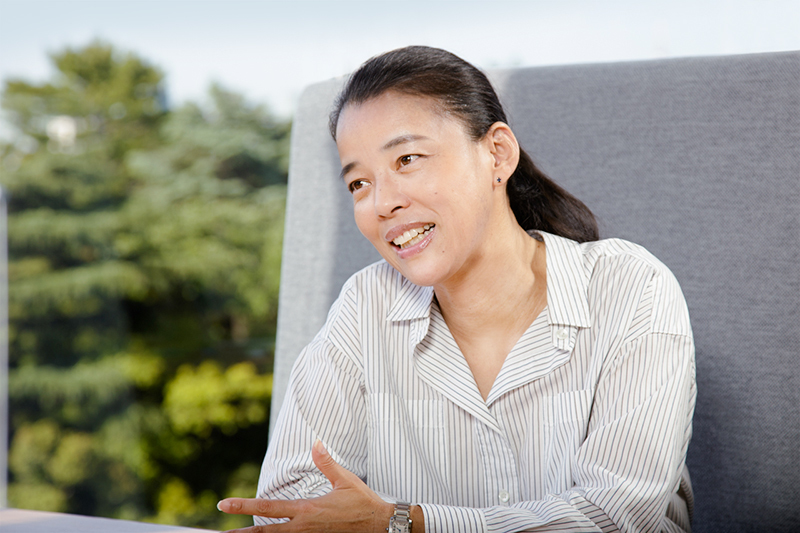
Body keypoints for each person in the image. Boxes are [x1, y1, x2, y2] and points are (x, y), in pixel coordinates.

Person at [217, 46, 696, 533]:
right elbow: (294, 503)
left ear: (497, 154)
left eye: (407, 159)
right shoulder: (365, 307)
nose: (381, 203)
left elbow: (616, 517)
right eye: (358, 184)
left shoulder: (631, 288)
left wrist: (402, 523)